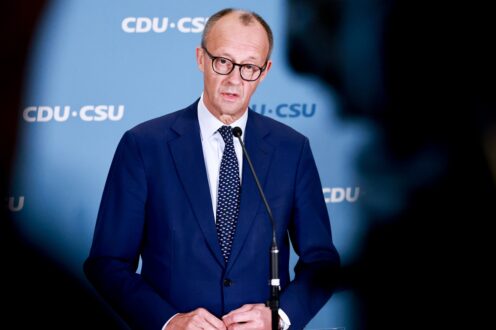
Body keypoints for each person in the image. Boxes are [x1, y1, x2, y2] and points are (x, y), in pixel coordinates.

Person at [84, 8, 340, 330]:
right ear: (201, 58)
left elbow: (322, 262)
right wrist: (169, 321)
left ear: (264, 71)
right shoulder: (143, 145)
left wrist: (279, 316)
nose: (235, 79)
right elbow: (107, 263)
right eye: (224, 62)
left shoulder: (292, 149)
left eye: (249, 67)